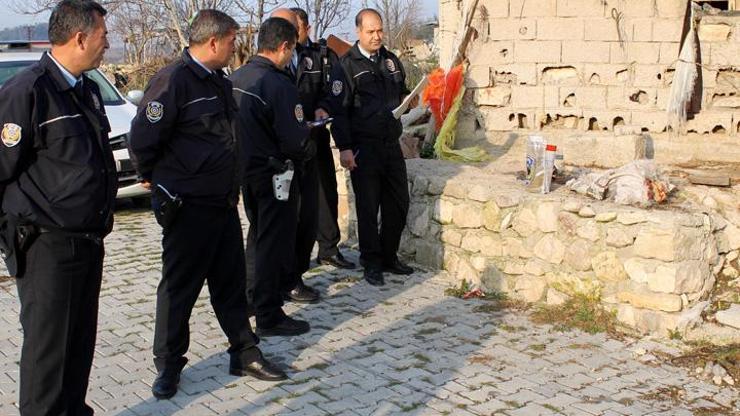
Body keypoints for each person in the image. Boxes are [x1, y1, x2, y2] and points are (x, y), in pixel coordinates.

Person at [128, 10, 286, 400]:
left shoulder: (219, 81)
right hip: (188, 207)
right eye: (233, 40)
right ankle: (168, 365)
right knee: (180, 289)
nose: (236, 47)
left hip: (221, 203)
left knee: (230, 285)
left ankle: (244, 352)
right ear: (213, 42)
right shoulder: (173, 81)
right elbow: (143, 140)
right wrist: (158, 180)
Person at [0, 1, 114, 414]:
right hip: (47, 246)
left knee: (78, 347)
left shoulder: (85, 89)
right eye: (104, 35)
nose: (108, 43)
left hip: (87, 241)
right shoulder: (28, 91)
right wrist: (13, 237)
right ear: (80, 37)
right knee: (48, 356)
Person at [231, 17, 314, 337]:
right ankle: (268, 314)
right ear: (284, 47)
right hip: (274, 174)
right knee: (273, 244)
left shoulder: (237, 77)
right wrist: (305, 141)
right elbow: (294, 139)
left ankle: (251, 298)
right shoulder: (278, 85)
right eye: (292, 49)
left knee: (257, 237)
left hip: (245, 173)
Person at [322, 9, 414, 286]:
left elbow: (401, 92)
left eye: (380, 31)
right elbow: (338, 112)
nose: (377, 36)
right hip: (364, 147)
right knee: (367, 206)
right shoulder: (346, 65)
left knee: (398, 203)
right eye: (371, 31)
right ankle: (371, 262)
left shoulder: (390, 61)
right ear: (359, 32)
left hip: (390, 144)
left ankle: (389, 256)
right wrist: (345, 148)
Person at [290, 7, 355, 270]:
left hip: (316, 136)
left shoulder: (322, 56)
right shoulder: (279, 58)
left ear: (307, 29)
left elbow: (335, 91)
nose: (292, 34)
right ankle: (293, 259)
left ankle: (328, 249)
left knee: (326, 192)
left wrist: (324, 107)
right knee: (295, 202)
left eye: (296, 28)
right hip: (289, 141)